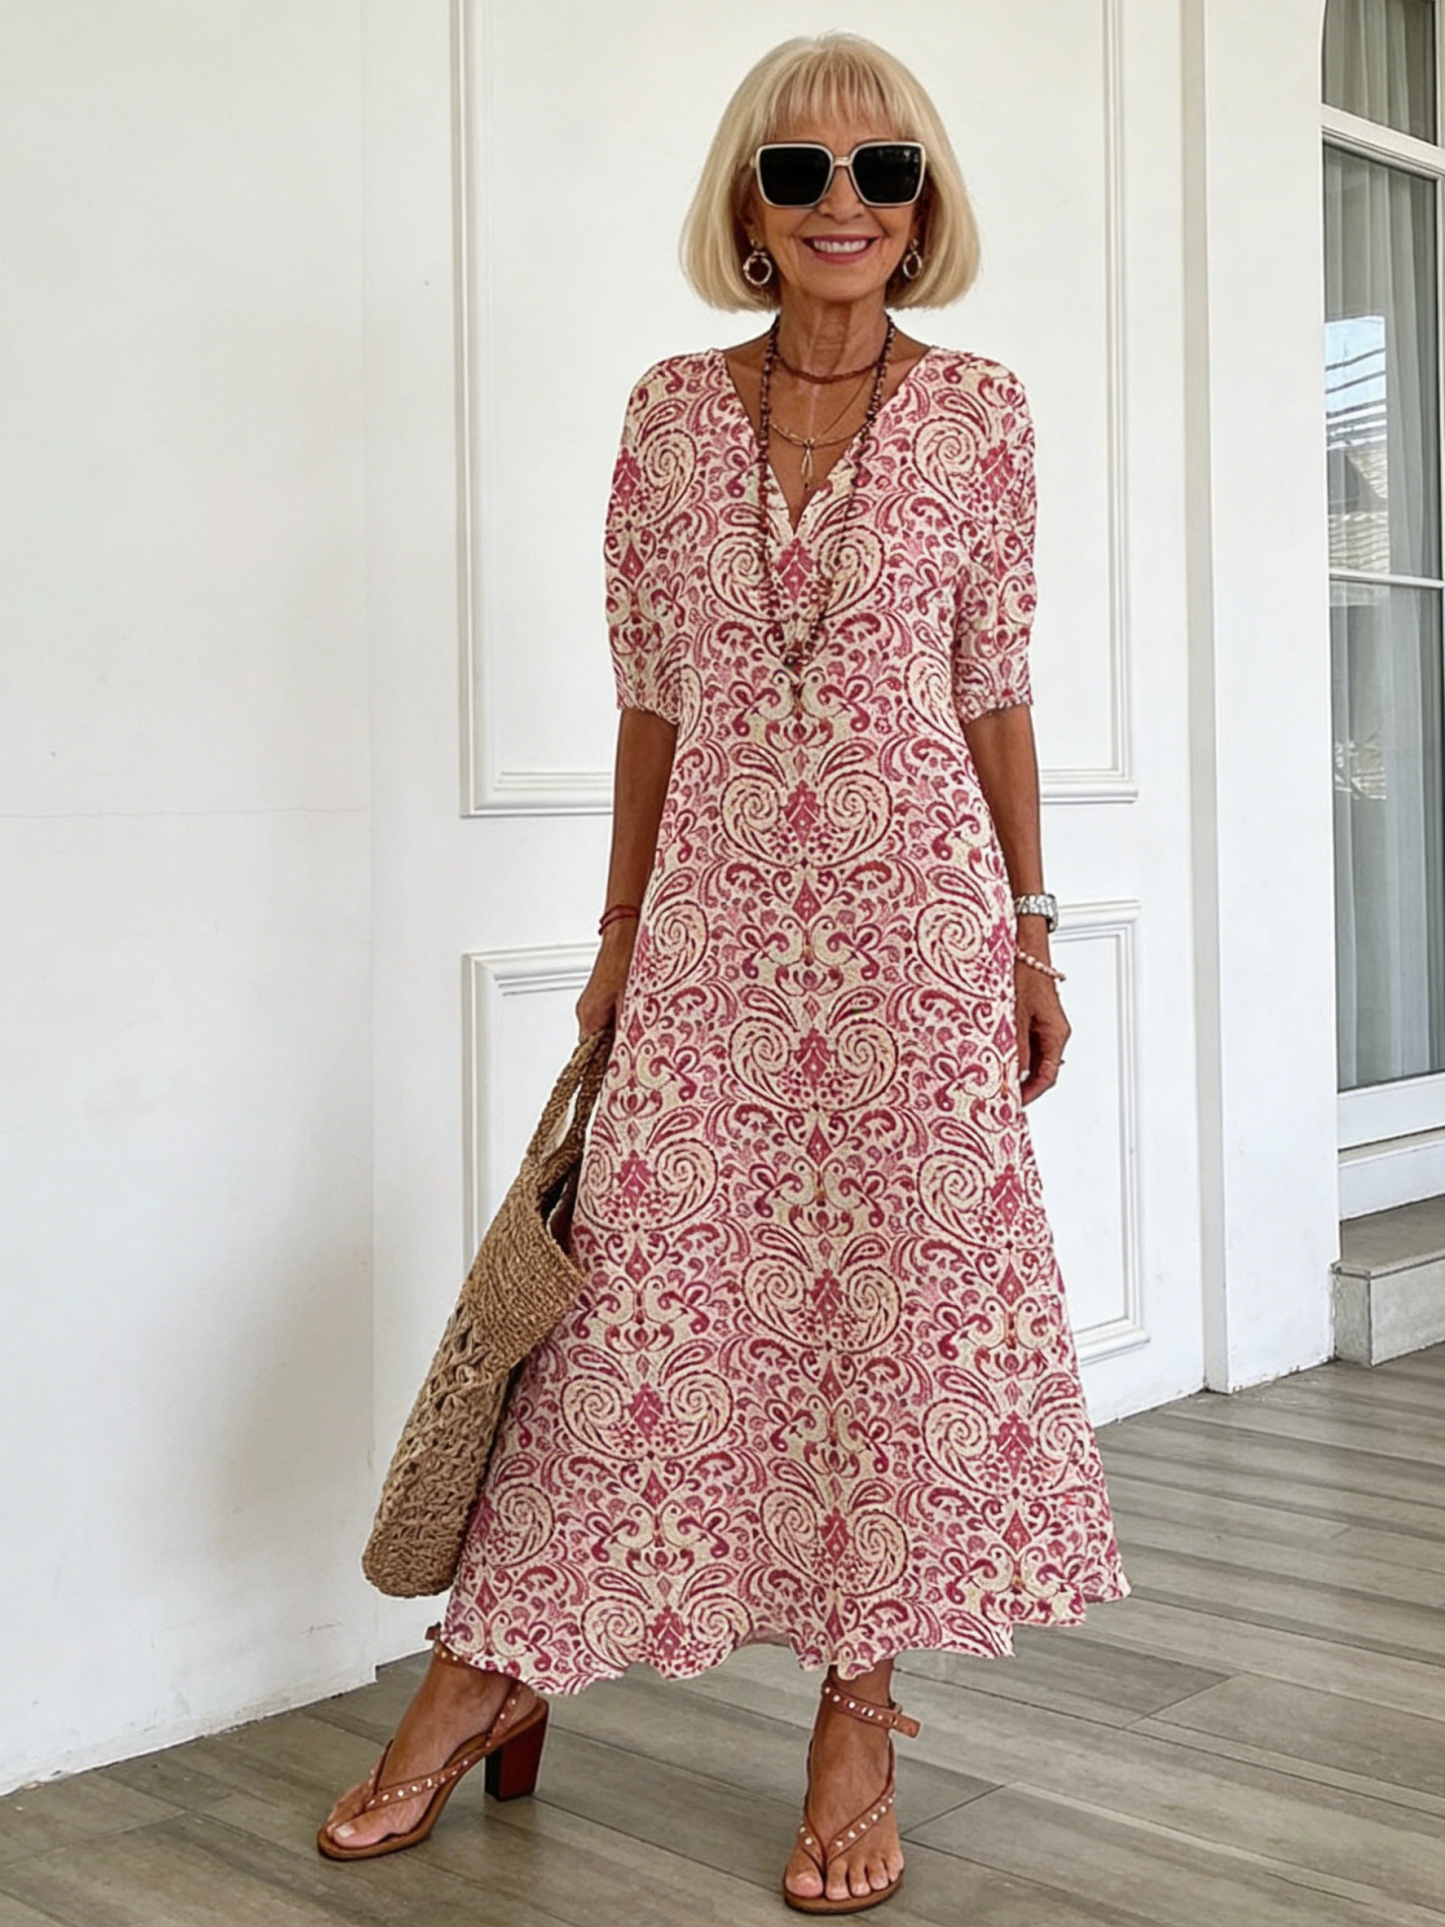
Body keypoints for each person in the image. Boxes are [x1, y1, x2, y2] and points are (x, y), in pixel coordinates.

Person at [319, 31, 1130, 1915]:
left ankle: (859, 1710)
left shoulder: (984, 414)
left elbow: (993, 687)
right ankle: (494, 1662)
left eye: (883, 170)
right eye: (800, 168)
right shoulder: (671, 414)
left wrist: (1032, 925)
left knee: (902, 1315)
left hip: (918, 937)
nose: (844, 200)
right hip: (711, 941)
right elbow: (651, 700)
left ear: (923, 206)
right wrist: (617, 937)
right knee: (628, 1308)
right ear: (750, 204)